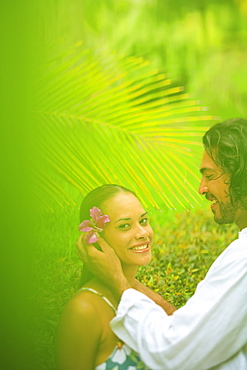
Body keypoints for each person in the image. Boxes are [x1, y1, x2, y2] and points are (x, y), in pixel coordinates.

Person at [77, 118, 247, 370]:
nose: (201, 188)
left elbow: (173, 352)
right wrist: (127, 283)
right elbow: (195, 330)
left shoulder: (242, 259)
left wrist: (119, 282)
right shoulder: (84, 308)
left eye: (209, 175)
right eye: (125, 225)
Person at [56, 184, 176, 370]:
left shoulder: (144, 298)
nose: (143, 233)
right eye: (125, 226)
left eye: (143, 221)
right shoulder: (84, 310)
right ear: (95, 237)